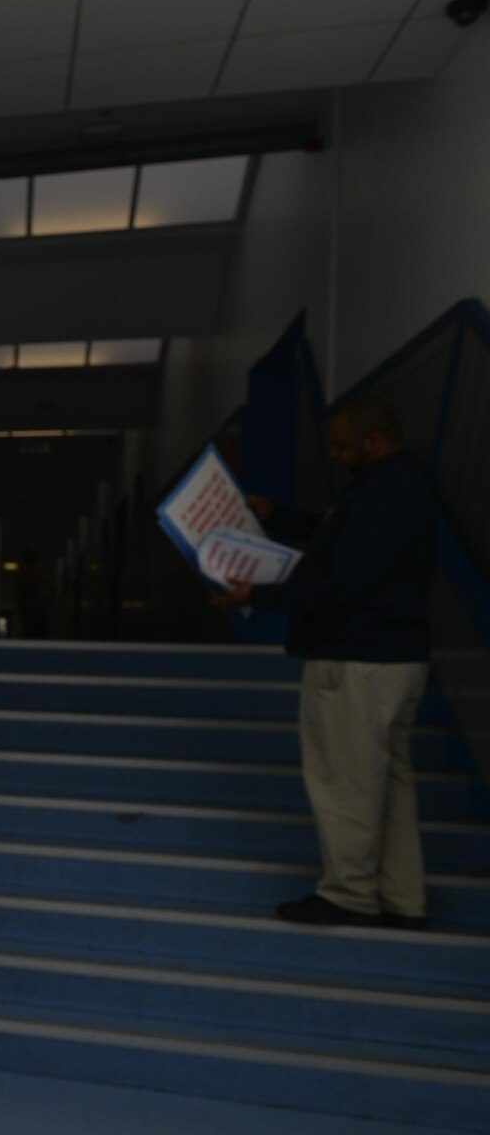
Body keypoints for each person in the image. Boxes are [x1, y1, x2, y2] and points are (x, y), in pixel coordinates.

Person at [212, 397, 436, 929]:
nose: (334, 454)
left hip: (357, 657)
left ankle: (350, 894)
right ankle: (403, 899)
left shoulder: (383, 495)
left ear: (374, 439)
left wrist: (257, 597)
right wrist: (279, 517)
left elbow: (341, 579)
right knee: (390, 783)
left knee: (346, 780)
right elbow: (341, 539)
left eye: (341, 444)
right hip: (394, 655)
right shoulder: (394, 489)